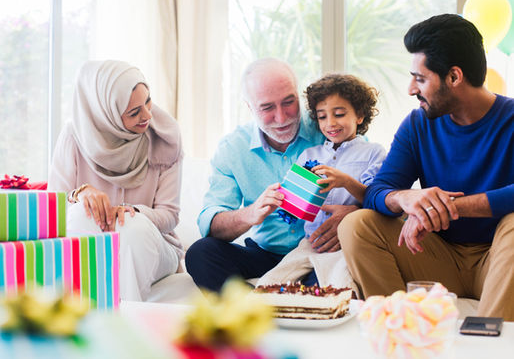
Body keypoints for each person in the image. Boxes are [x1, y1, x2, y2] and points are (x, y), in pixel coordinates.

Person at [338, 14, 514, 320]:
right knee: (356, 225)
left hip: (499, 259)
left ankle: (489, 344)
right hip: (435, 258)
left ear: (454, 77)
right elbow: (377, 192)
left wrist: (446, 208)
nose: (410, 89)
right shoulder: (417, 125)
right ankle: (400, 332)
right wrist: (406, 199)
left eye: (420, 78)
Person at [185, 58, 359, 292]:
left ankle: (278, 304)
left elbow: (376, 187)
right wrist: (250, 214)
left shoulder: (330, 126)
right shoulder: (232, 148)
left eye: (289, 102)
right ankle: (257, 310)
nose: (281, 117)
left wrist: (354, 214)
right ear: (249, 107)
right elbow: (210, 223)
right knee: (200, 253)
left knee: (335, 275)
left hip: (319, 251)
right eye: (267, 107)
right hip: (263, 254)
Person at [48, 60, 184, 301]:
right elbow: (52, 209)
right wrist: (80, 195)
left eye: (148, 101)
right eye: (134, 112)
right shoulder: (74, 136)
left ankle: (123, 323)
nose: (148, 115)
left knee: (133, 228)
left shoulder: (165, 136)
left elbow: (169, 216)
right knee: (80, 213)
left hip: (156, 245)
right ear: (105, 114)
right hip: (98, 240)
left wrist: (130, 212)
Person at [256, 74, 386, 289]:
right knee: (268, 285)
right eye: (322, 116)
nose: (330, 123)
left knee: (338, 286)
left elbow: (377, 199)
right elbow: (293, 207)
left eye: (339, 114)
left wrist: (345, 181)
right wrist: (282, 201)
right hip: (310, 243)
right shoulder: (309, 154)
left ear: (360, 116)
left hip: (348, 245)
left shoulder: (373, 153)